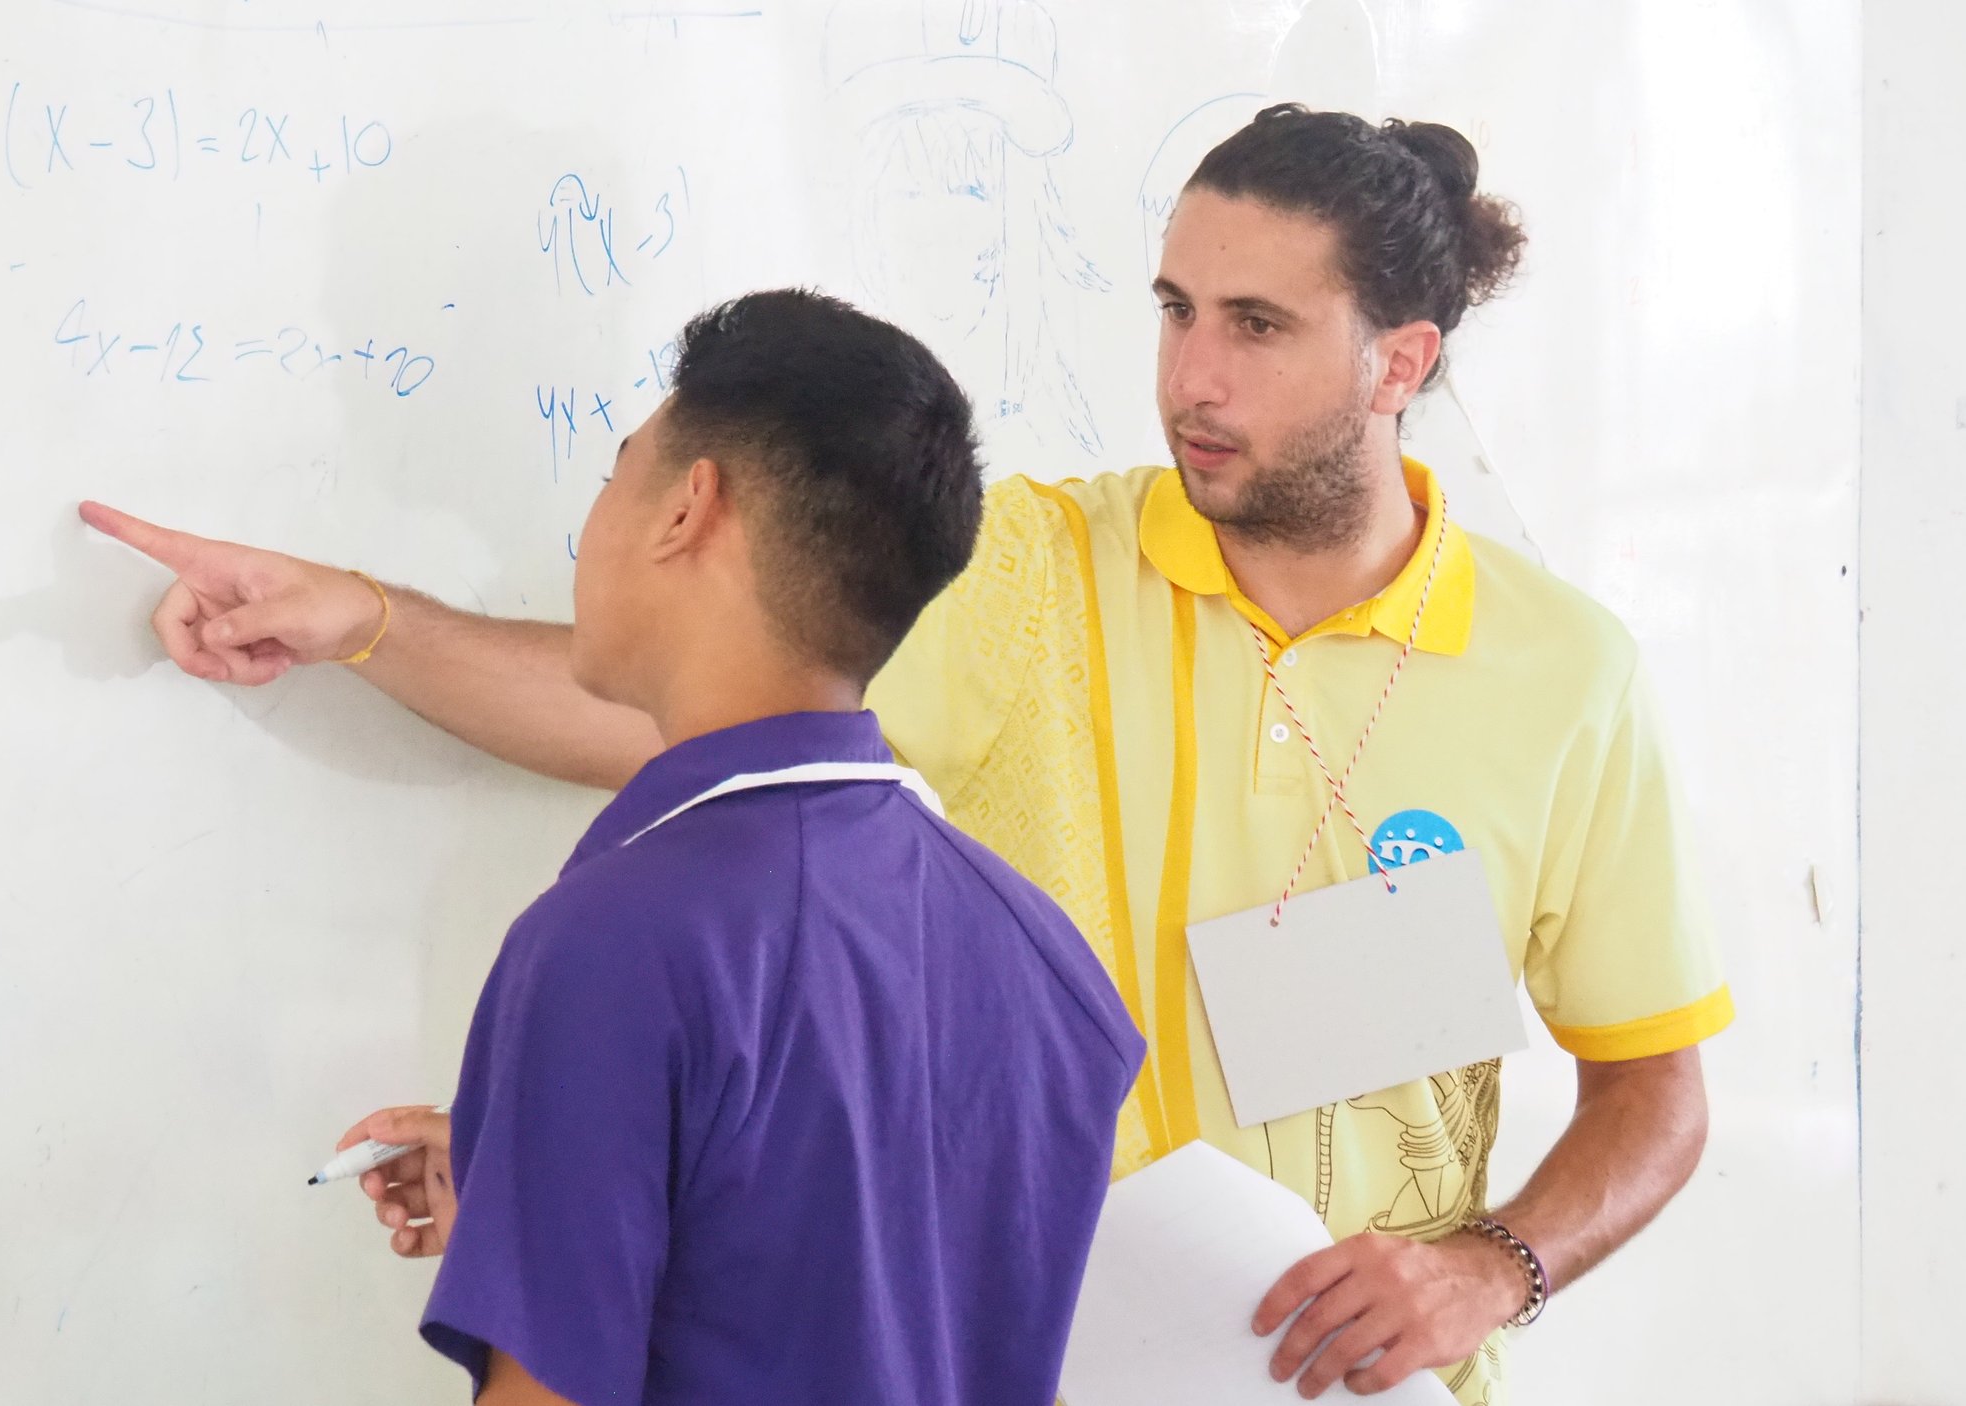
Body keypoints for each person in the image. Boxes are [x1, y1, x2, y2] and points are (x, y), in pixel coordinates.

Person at [86, 107, 1732, 1403]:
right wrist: (359, 618)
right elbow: (680, 702)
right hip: (1043, 1366)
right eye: (1172, 309)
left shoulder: (1563, 673)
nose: (1189, 377)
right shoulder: (1034, 568)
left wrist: (1486, 1270)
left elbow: (1654, 1089)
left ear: (1402, 362)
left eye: (1255, 323)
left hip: (1372, 1389)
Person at [85, 289, 1143, 1406]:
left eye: (610, 474)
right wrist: (546, 1170)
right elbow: (876, 1281)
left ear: (689, 508)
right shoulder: (1042, 952)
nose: (588, 524)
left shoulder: (616, 943)